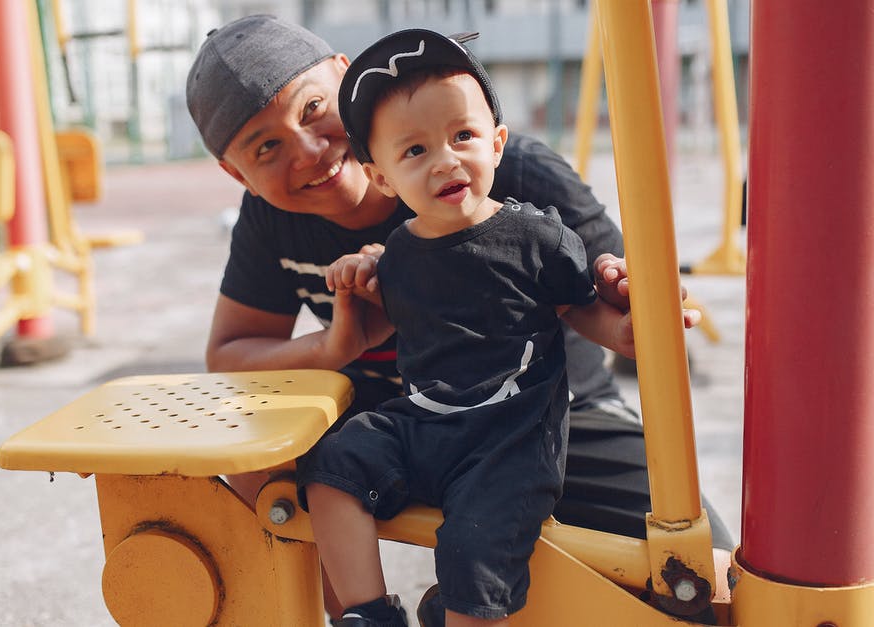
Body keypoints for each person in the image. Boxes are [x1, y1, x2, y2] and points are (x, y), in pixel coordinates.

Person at [185, 13, 734, 624]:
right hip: (407, 413)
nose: (310, 151)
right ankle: (357, 612)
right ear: (239, 175)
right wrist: (333, 345)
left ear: (345, 76)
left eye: (314, 108)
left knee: (709, 579)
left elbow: (605, 292)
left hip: (547, 405)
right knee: (274, 456)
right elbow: (231, 354)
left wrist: (634, 296)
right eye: (266, 147)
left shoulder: (515, 178)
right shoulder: (275, 219)